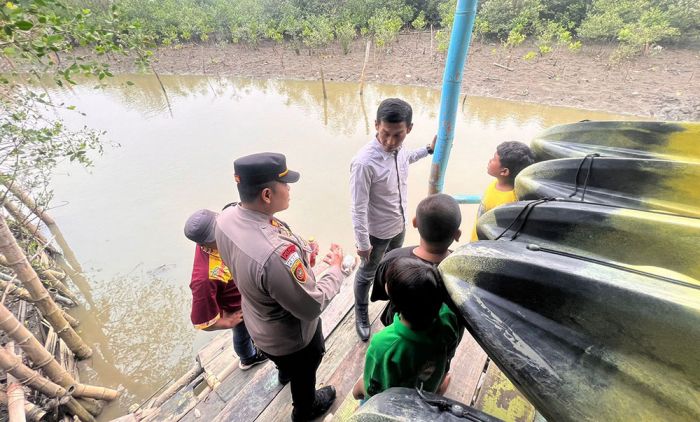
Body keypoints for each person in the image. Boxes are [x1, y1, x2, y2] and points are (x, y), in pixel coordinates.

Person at [215, 152, 345, 422]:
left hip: (257, 323)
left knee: (286, 366)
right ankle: (305, 409)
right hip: (292, 339)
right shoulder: (276, 255)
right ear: (266, 195)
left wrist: (302, 252)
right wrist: (336, 270)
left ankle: (285, 372)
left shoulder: (226, 219)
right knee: (306, 366)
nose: (289, 189)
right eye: (285, 184)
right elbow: (312, 306)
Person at [350, 97, 436, 341]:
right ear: (376, 125)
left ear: (408, 129)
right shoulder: (364, 162)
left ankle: (394, 304)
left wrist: (428, 150)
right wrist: (362, 242)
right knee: (367, 272)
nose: (389, 141)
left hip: (398, 224)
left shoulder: (400, 150)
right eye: (385, 133)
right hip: (375, 233)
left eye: (397, 135)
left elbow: (407, 157)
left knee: (394, 266)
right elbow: (357, 207)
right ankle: (361, 312)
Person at [352, 257, 463, 401]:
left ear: (393, 297)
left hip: (395, 402)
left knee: (359, 390)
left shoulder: (383, 344)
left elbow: (374, 389)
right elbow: (450, 352)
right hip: (429, 388)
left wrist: (359, 390)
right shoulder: (448, 318)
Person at [184, 209, 268, 370]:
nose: (225, 234)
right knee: (242, 333)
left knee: (255, 326)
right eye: (217, 236)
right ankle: (248, 358)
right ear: (203, 244)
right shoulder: (204, 278)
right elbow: (201, 321)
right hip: (238, 307)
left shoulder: (223, 238)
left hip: (247, 293)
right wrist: (227, 321)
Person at [370, 193, 462, 326]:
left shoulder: (392, 260)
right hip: (446, 333)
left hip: (401, 326)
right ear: (457, 235)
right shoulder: (463, 267)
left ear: (414, 223)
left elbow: (383, 293)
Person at [471, 141, 536, 241]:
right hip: (476, 239)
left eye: (493, 159)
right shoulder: (495, 183)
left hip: (482, 245)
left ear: (504, 171)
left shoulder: (509, 202)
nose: (489, 160)